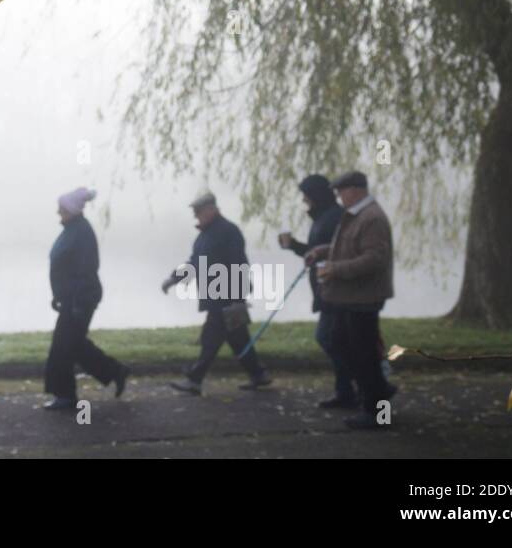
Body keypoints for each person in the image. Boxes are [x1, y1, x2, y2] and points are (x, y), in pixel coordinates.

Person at [303, 171, 396, 430]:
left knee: (362, 353)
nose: (338, 197)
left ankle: (375, 409)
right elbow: (348, 247)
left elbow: (375, 259)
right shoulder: (356, 214)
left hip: (364, 296)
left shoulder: (372, 218)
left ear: (355, 190)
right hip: (350, 296)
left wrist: (335, 268)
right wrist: (322, 251)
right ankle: (377, 390)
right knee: (339, 341)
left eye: (341, 191)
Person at [161, 191, 271, 394]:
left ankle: (194, 380)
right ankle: (258, 374)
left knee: (210, 338)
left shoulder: (228, 231)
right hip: (215, 294)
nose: (195, 216)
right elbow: (194, 263)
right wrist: (174, 278)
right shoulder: (204, 235)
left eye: (199, 211)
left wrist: (239, 296)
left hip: (227, 296)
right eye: (195, 212)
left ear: (212, 209)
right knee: (238, 339)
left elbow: (239, 263)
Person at [42, 187, 130, 411]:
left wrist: (78, 303)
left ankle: (66, 396)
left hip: (80, 298)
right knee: (75, 344)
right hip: (71, 298)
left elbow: (85, 269)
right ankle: (116, 372)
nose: (57, 212)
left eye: (61, 208)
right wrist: (58, 296)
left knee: (63, 346)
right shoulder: (72, 229)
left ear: (71, 210)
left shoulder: (81, 232)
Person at [278, 174, 353, 408]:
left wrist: (315, 254)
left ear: (316, 195)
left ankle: (358, 386)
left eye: (306, 195)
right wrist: (294, 246)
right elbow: (314, 252)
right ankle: (346, 391)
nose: (304, 201)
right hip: (324, 288)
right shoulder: (322, 218)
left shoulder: (336, 218)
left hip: (335, 289)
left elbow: (342, 251)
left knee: (329, 338)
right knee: (336, 340)